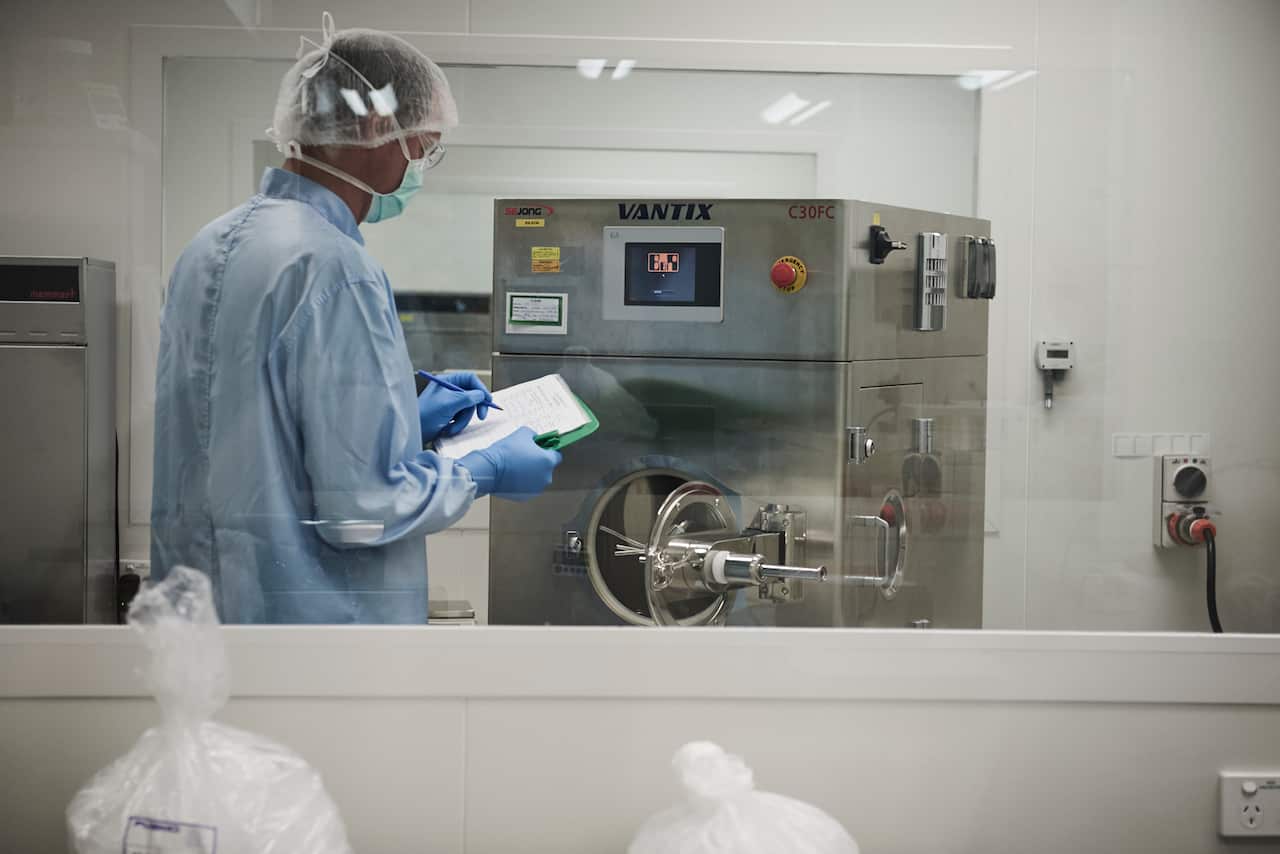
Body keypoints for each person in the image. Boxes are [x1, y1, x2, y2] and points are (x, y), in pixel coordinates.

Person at [150, 14, 560, 623]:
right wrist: (482, 469)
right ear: (375, 125)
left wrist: (401, 425)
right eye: (423, 141)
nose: (422, 160)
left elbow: (260, 440)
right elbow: (361, 510)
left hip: (210, 622)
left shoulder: (210, 246)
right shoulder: (334, 267)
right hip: (314, 638)